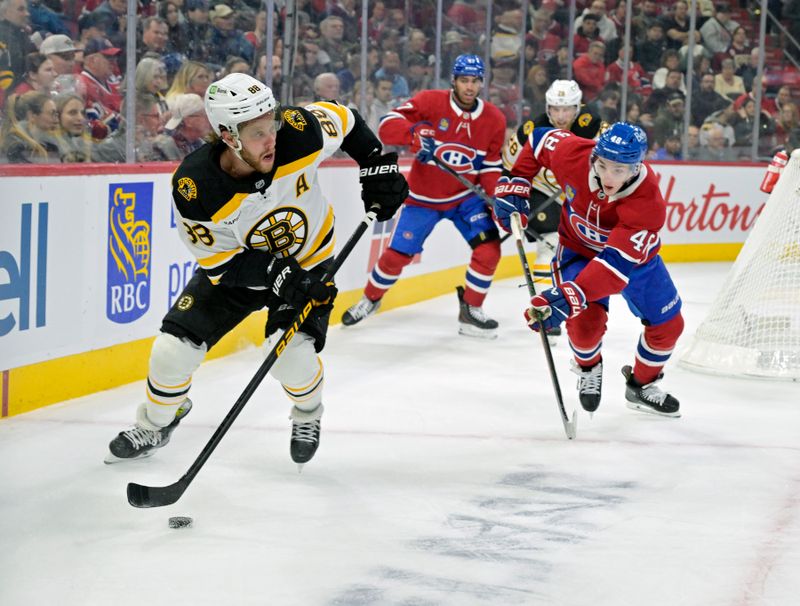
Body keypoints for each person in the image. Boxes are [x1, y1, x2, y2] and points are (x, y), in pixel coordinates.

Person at [104, 73, 407, 466]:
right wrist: (276, 274)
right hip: (239, 273)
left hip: (310, 262)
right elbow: (222, 265)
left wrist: (374, 165)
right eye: (258, 133)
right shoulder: (196, 187)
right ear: (229, 136)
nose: (273, 139)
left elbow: (346, 120)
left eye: (273, 124)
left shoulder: (298, 132)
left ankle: (307, 414)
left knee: (291, 358)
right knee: (170, 352)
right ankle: (159, 422)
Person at [493, 122, 683, 417]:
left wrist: (571, 296)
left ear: (636, 167)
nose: (608, 176)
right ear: (595, 155)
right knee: (584, 328)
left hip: (634, 265)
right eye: (603, 165)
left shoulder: (648, 203)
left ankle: (641, 386)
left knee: (669, 326)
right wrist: (517, 180)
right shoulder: (574, 154)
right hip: (577, 252)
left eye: (619, 170)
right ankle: (588, 366)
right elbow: (539, 139)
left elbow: (614, 267)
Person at [341, 54, 506, 339]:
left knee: (489, 250)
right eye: (464, 80)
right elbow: (386, 125)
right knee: (395, 257)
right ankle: (370, 299)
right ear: (453, 81)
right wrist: (413, 133)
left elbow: (490, 167)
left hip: (465, 199)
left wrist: (498, 198)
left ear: (482, 83)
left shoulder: (494, 119)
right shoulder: (430, 101)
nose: (469, 87)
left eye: (475, 81)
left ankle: (470, 311)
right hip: (422, 199)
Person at [502, 79, 604, 337]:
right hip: (542, 192)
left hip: (575, 195)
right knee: (549, 243)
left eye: (567, 109)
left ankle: (566, 303)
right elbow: (509, 164)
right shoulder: (532, 128)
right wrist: (509, 193)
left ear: (578, 107)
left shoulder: (593, 125)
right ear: (548, 108)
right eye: (555, 109)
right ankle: (544, 309)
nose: (560, 116)